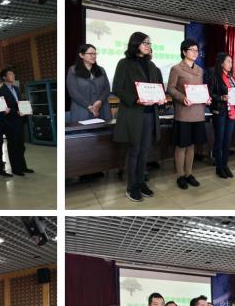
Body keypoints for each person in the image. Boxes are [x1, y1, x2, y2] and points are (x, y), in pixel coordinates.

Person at [112, 32, 165, 202]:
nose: (148, 46)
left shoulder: (151, 65)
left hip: (150, 114)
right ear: (135, 44)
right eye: (144, 43)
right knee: (134, 150)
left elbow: (157, 87)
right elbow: (117, 88)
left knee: (145, 150)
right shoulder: (124, 63)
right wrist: (135, 99)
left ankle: (141, 182)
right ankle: (131, 186)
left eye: (149, 43)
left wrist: (161, 97)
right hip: (133, 113)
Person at [167, 39, 211, 190]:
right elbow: (171, 88)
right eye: (192, 50)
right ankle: (180, 175)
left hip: (198, 112)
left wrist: (206, 98)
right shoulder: (176, 69)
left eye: (197, 50)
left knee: (191, 144)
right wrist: (182, 97)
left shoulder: (199, 69)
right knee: (182, 145)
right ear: (184, 52)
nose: (195, 52)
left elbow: (200, 90)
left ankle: (189, 174)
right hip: (184, 112)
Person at [207, 52, 235, 179]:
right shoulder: (214, 76)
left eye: (231, 62)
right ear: (221, 63)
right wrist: (221, 97)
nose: (231, 64)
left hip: (231, 111)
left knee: (227, 140)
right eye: (228, 62)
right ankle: (219, 167)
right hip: (220, 111)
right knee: (220, 140)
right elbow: (210, 94)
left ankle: (225, 165)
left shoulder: (232, 77)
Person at [0, 68, 33, 176]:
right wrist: (15, 112)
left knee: (21, 145)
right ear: (4, 77)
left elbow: (19, 103)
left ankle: (23, 166)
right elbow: (3, 108)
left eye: (13, 74)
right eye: (10, 74)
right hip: (10, 122)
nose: (13, 75)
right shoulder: (0, 91)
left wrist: (26, 109)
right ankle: (16, 169)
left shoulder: (16, 88)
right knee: (13, 146)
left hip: (20, 120)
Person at [66, 43, 112, 122]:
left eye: (95, 54)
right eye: (90, 54)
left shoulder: (101, 70)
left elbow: (106, 89)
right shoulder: (73, 70)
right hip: (82, 110)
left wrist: (99, 101)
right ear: (81, 55)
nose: (94, 56)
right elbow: (73, 92)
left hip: (102, 109)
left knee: (105, 129)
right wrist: (89, 106)